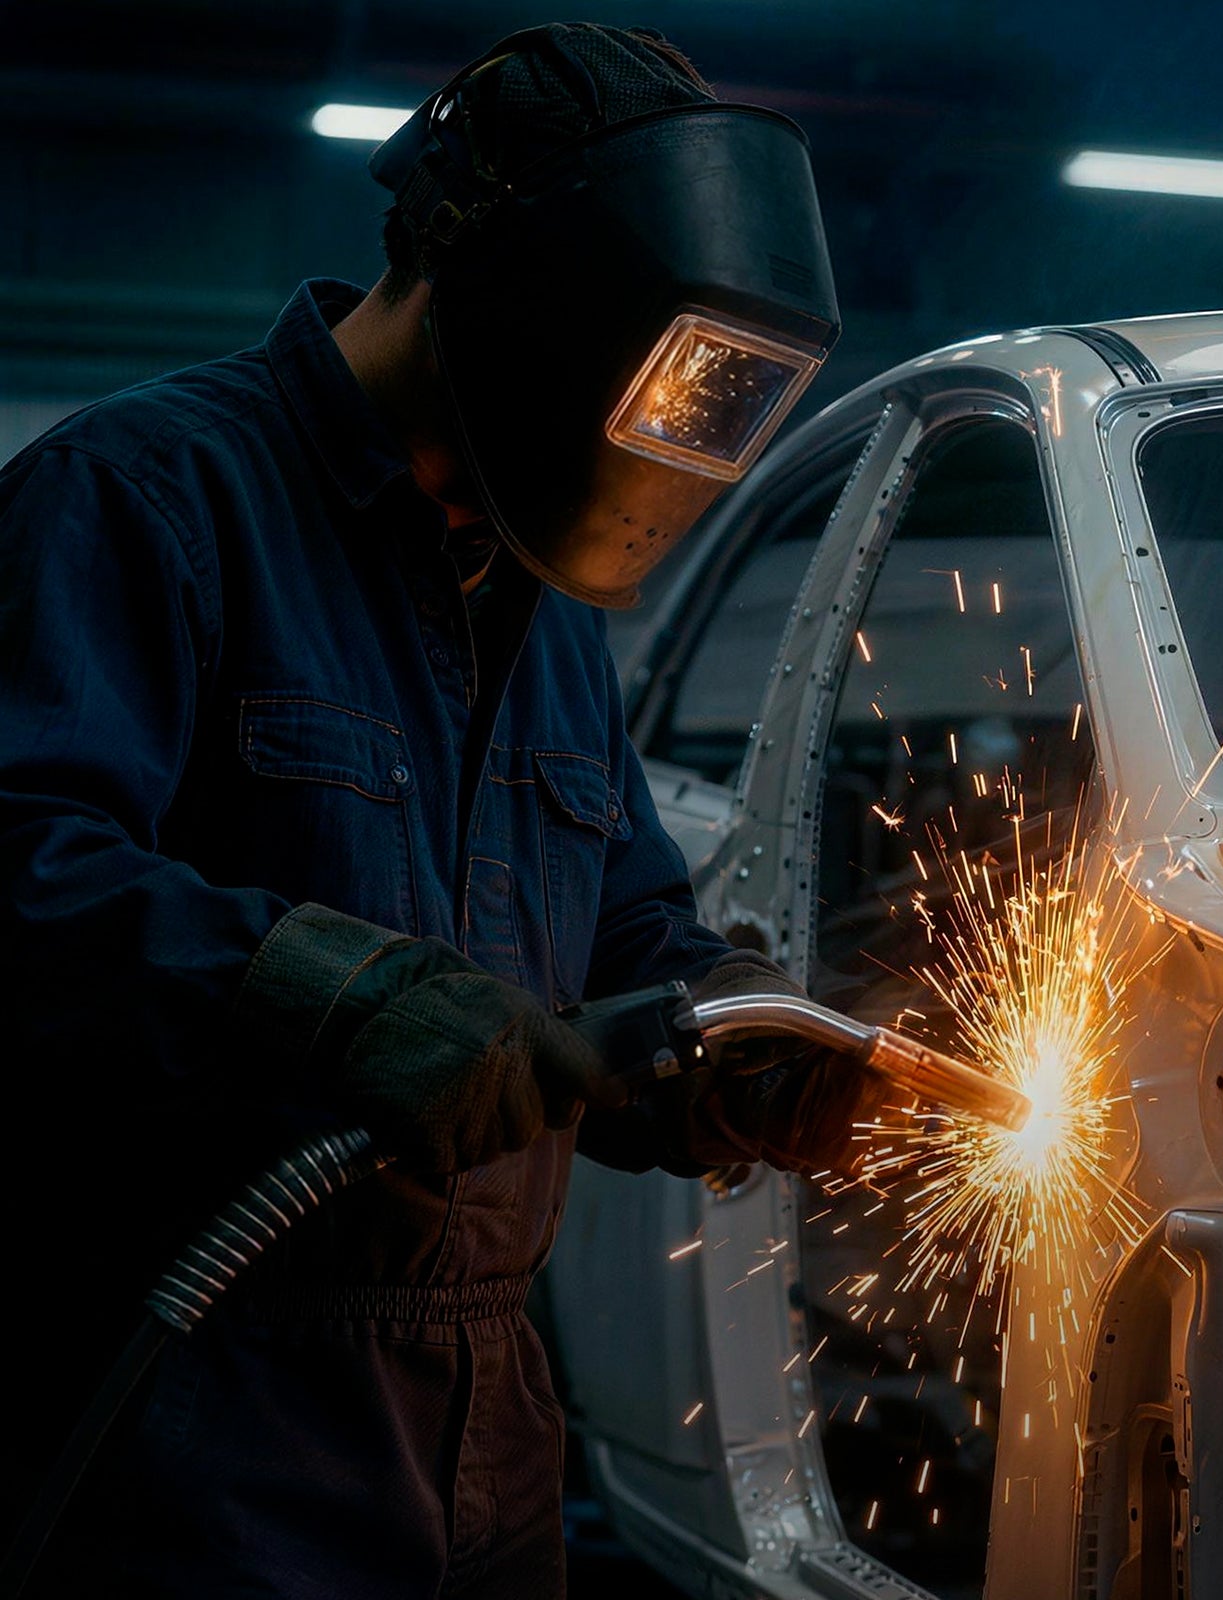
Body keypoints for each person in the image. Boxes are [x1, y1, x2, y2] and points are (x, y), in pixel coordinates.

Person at [0, 22, 884, 1598]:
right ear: (493, 284)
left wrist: (724, 1039)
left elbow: (623, 923)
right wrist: (325, 993)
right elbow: (21, 869)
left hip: (490, 1423)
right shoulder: (142, 499)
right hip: (200, 1405)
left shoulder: (548, 611)